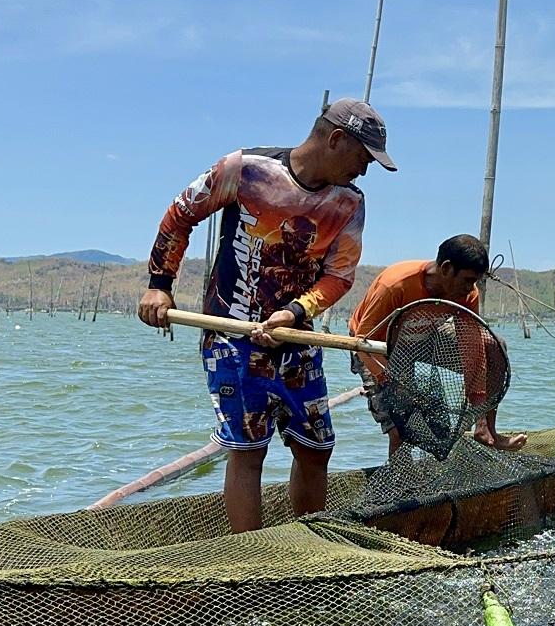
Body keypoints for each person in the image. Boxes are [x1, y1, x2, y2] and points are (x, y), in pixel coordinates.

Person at [137, 98, 397, 533]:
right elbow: (179, 216)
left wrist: (296, 313)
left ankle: (312, 542)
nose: (365, 170)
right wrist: (159, 286)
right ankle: (251, 559)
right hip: (232, 334)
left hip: (297, 337)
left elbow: (339, 275)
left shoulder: (349, 203)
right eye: (363, 157)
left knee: (316, 448)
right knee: (248, 449)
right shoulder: (244, 170)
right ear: (336, 139)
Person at [348, 234, 528, 453]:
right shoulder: (395, 284)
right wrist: (392, 382)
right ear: (446, 268)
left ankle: (487, 431)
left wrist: (478, 404)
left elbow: (475, 350)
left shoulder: (468, 294)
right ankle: (404, 483)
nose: (471, 287)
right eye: (468, 279)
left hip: (426, 336)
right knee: (400, 426)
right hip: (379, 345)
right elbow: (362, 341)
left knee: (493, 345)